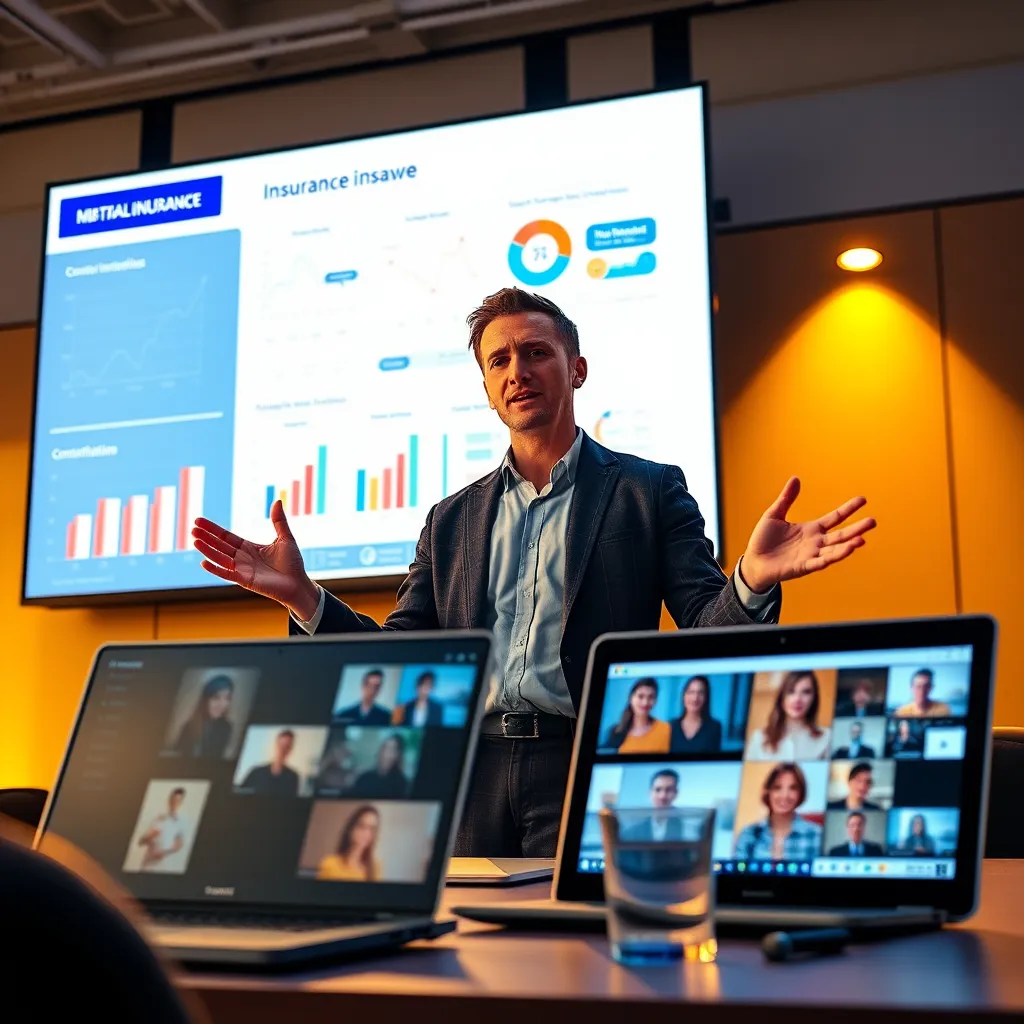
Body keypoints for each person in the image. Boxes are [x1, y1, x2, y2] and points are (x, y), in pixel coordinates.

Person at [193, 287, 875, 857]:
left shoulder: (648, 491)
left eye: (535, 352)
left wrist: (752, 580)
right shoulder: (450, 519)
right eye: (500, 361)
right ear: (488, 389)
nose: (517, 369)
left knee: (575, 963)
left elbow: (706, 629)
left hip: (583, 767)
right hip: (469, 773)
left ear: (576, 369)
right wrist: (306, 599)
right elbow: (402, 661)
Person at [734, 763, 822, 861]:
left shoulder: (816, 834)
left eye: (793, 788)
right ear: (768, 792)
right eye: (777, 787)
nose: (785, 795)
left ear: (801, 793)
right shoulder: (749, 833)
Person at [745, 670, 832, 761]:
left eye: (806, 692)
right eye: (791, 691)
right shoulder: (759, 738)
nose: (797, 699)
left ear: (814, 698)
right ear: (782, 697)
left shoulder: (826, 738)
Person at [171, 674, 235, 758]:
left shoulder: (226, 727)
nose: (223, 704)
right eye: (216, 698)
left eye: (227, 698)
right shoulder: (189, 727)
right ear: (205, 700)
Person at [603, 678, 671, 754]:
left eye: (651, 697)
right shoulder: (616, 732)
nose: (645, 702)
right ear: (631, 698)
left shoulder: (665, 729)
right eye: (640, 696)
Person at [317, 805, 382, 881]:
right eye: (362, 826)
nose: (367, 833)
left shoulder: (376, 867)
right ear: (351, 828)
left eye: (372, 829)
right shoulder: (329, 864)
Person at [136, 787, 188, 872]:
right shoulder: (158, 818)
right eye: (172, 800)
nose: (174, 803)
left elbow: (179, 844)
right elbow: (141, 842)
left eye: (177, 801)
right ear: (169, 800)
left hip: (164, 867)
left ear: (181, 802)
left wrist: (164, 853)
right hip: (147, 866)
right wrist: (150, 838)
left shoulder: (181, 822)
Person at [622, 769, 683, 841]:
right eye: (658, 790)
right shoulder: (632, 831)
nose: (662, 796)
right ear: (650, 793)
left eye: (668, 790)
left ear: (676, 793)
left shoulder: (687, 829)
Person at [346, 733, 411, 799]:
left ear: (398, 755)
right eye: (386, 748)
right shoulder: (365, 778)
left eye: (393, 750)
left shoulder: (402, 784)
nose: (388, 755)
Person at [670, 675, 723, 753]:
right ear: (684, 696)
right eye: (691, 692)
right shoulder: (670, 726)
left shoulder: (715, 727)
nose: (695, 698)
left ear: (706, 698)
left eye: (700, 693)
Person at [240, 728, 301, 795]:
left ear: (290, 750)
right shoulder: (255, 772)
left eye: (286, 747)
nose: (282, 750)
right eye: (280, 745)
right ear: (275, 745)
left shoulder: (293, 777)